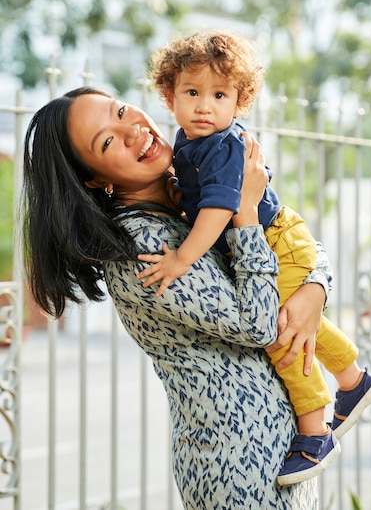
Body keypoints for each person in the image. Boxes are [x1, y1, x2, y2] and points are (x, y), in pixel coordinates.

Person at [23, 85, 333, 509]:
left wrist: (315, 285)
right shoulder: (140, 249)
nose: (133, 131)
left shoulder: (192, 197)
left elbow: (290, 241)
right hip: (238, 468)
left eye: (121, 111)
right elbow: (258, 325)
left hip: (282, 450)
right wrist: (244, 212)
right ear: (95, 180)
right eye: (108, 141)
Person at [142, 30, 371, 486]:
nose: (204, 106)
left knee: (280, 330)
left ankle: (316, 431)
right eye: (191, 92)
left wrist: (180, 260)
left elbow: (218, 211)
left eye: (219, 95)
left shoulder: (223, 144)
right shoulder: (190, 140)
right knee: (294, 319)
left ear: (240, 101)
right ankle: (355, 381)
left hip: (276, 240)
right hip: (274, 239)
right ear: (168, 94)